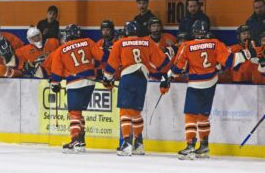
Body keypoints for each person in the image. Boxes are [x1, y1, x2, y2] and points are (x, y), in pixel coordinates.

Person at [163, 20, 256, 160]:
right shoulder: (215, 43)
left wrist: (168, 77)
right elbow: (231, 61)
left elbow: (177, 68)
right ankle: (204, 146)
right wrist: (248, 53)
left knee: (190, 115)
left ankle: (190, 146)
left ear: (194, 32)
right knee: (203, 116)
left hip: (195, 84)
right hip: (211, 83)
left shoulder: (186, 45)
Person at [103, 21, 171, 156]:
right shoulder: (148, 42)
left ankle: (127, 143)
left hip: (128, 77)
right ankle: (138, 144)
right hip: (142, 78)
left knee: (125, 112)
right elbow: (164, 63)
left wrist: (107, 79)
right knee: (136, 112)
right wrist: (165, 79)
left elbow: (111, 67)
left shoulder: (120, 43)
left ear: (126, 31)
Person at [50, 24, 109, 153]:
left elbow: (56, 73)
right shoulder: (87, 42)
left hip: (75, 82)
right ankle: (81, 141)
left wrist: (55, 84)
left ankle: (75, 140)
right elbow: (102, 57)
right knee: (79, 112)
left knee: (74, 113)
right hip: (90, 82)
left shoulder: (61, 49)